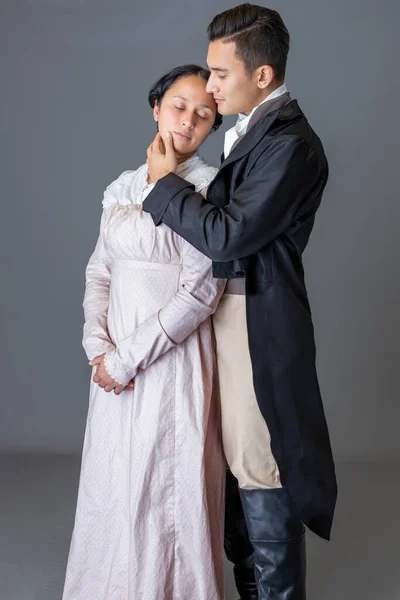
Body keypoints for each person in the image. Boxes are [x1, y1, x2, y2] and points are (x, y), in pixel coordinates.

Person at [143, 5, 338, 600]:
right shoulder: (254, 131)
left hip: (256, 320)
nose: (208, 85)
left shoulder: (294, 145)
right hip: (224, 317)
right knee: (229, 469)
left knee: (261, 467)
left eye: (219, 74)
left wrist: (164, 186)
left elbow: (231, 235)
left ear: (262, 75)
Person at [62, 65, 227, 600]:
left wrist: (127, 359)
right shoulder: (121, 187)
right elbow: (99, 271)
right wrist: (97, 347)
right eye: (179, 106)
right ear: (156, 107)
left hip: (169, 360)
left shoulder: (208, 190)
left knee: (164, 487)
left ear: (212, 128)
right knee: (114, 484)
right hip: (111, 364)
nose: (189, 121)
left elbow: (202, 293)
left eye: (204, 114)